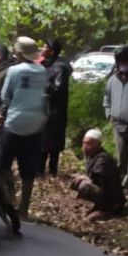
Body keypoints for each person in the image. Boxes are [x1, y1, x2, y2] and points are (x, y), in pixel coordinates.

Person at [0, 37, 47, 222]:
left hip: (15, 122)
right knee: (28, 168)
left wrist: (2, 114)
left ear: (18, 54)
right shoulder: (42, 71)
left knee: (3, 164)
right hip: (36, 124)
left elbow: (5, 97)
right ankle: (24, 209)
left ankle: (9, 199)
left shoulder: (14, 70)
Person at [103, 45, 128, 189]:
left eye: (127, 61)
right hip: (117, 124)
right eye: (121, 61)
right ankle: (118, 184)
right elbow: (107, 99)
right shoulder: (113, 80)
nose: (124, 64)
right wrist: (109, 114)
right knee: (121, 158)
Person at [70, 128, 126, 219]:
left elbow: (98, 179)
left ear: (98, 144)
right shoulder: (91, 155)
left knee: (85, 186)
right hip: (104, 192)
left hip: (113, 199)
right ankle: (99, 206)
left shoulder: (103, 159)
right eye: (84, 143)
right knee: (77, 180)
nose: (85, 146)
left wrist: (85, 178)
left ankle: (107, 210)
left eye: (89, 143)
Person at [40, 38, 73, 176]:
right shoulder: (47, 64)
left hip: (55, 110)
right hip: (45, 108)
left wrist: (42, 85)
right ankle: (40, 169)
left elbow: (57, 88)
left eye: (44, 46)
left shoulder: (60, 68)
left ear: (51, 50)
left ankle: (52, 170)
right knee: (43, 140)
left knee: (52, 141)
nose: (41, 48)